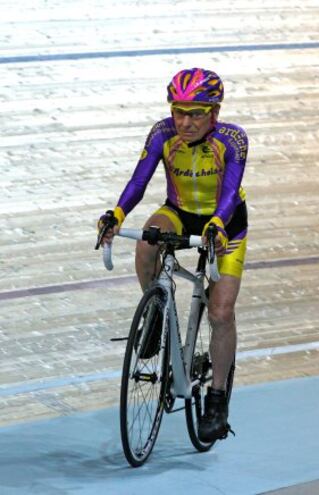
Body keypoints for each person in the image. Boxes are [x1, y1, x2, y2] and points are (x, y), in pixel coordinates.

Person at [99, 67, 248, 442]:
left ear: (214, 112)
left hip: (224, 222)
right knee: (147, 240)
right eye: (179, 111)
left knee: (221, 312)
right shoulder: (162, 133)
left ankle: (216, 400)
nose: (185, 121)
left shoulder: (232, 140)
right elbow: (139, 178)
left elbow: (230, 192)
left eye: (196, 113)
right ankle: (154, 313)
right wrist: (116, 214)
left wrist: (216, 223)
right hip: (178, 212)